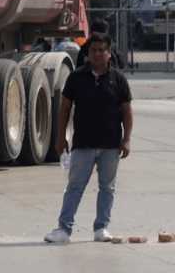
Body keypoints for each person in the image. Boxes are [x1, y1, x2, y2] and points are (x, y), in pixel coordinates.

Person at [45, 32, 133, 244]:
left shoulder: (118, 79)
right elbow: (64, 109)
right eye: (94, 50)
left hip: (111, 145)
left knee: (107, 188)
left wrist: (127, 139)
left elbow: (127, 111)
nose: (98, 54)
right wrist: (60, 137)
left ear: (109, 53)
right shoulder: (76, 77)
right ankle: (64, 230)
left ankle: (101, 228)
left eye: (102, 50)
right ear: (88, 53)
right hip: (83, 144)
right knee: (74, 187)